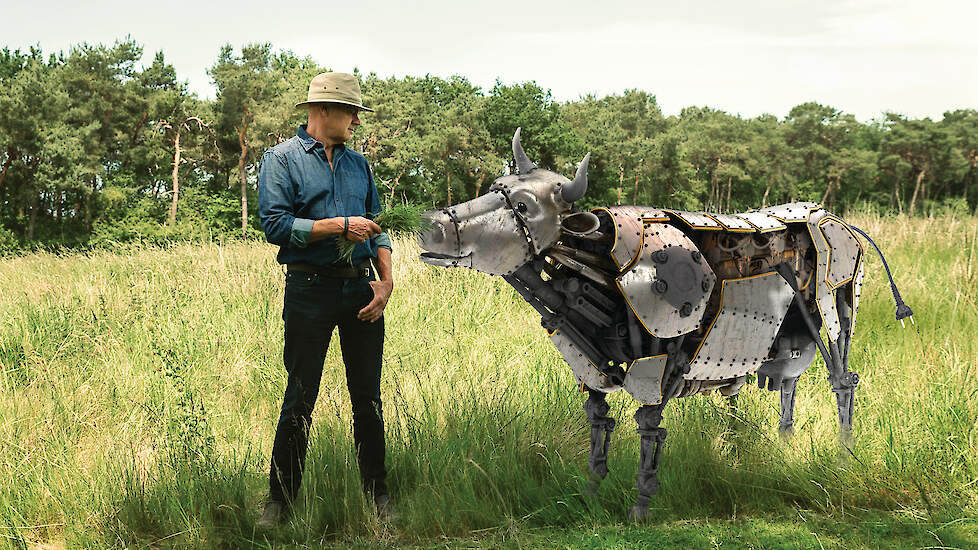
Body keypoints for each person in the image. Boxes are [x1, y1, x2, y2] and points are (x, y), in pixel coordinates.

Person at [256, 72, 394, 527]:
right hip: (309, 290)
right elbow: (275, 225)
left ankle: (380, 500)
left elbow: (378, 226)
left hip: (361, 289)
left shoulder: (360, 165)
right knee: (299, 397)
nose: (357, 119)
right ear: (323, 111)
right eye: (351, 111)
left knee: (368, 399)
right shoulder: (281, 160)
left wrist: (386, 280)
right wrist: (338, 226)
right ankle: (280, 505)